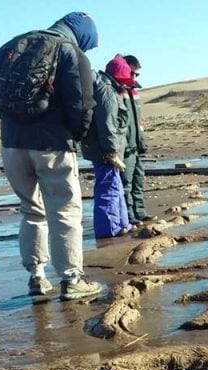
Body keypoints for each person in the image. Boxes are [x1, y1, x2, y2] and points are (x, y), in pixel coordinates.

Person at [0, 12, 103, 301]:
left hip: (12, 144)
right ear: (82, 34)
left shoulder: (16, 43)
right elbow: (82, 104)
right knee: (64, 211)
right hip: (53, 146)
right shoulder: (71, 52)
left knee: (31, 210)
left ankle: (36, 277)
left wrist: (10, 118)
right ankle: (72, 280)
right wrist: (74, 134)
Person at [81, 54, 133, 238]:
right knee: (108, 189)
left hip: (104, 148)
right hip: (105, 150)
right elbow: (107, 124)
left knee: (114, 186)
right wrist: (111, 152)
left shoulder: (105, 88)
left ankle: (120, 224)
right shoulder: (106, 92)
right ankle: (108, 230)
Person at [122, 55, 154, 226]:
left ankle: (140, 211)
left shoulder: (134, 92)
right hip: (126, 146)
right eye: (133, 73)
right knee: (126, 182)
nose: (135, 78)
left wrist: (143, 142)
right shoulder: (117, 91)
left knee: (138, 180)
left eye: (137, 75)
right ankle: (129, 215)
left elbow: (138, 121)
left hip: (138, 144)